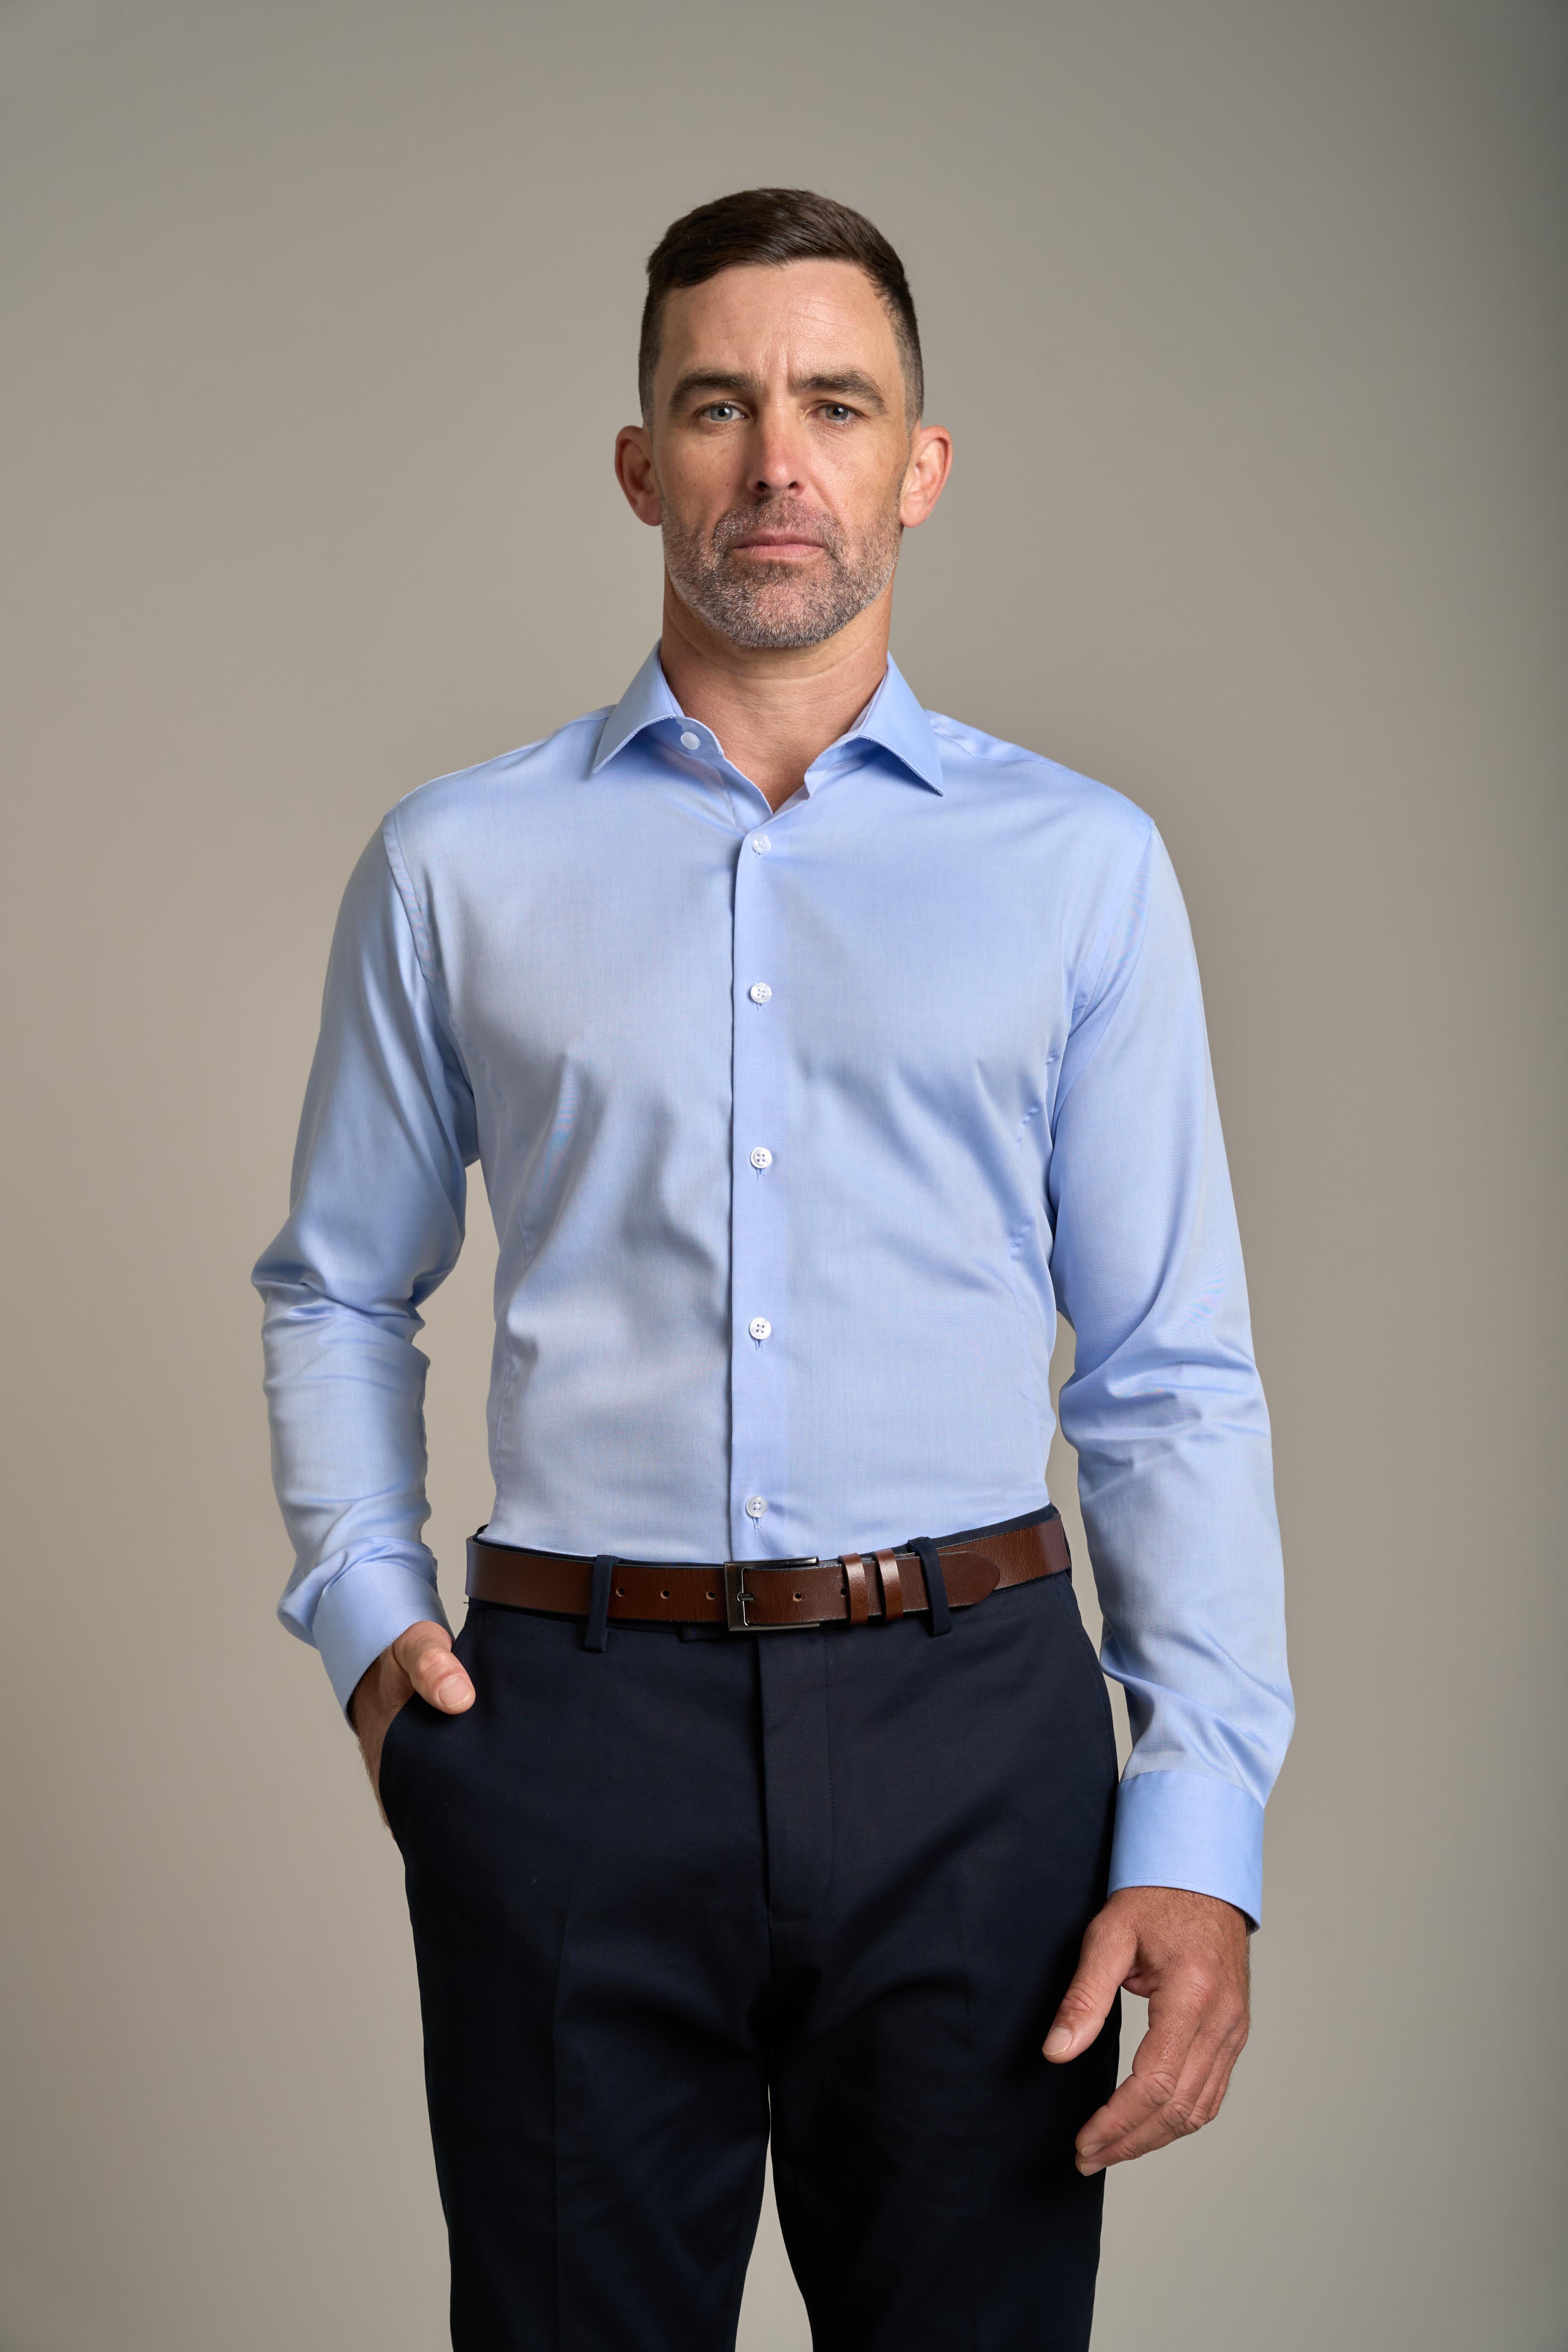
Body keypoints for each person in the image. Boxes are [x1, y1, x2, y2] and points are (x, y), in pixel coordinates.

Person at [253, 186, 1292, 2351]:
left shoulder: (1079, 869)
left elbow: (1164, 1364)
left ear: (919, 463)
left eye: (836, 403)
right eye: (715, 405)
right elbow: (342, 1283)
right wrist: (373, 1630)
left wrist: (1195, 1814)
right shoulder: (461, 862)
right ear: (641, 464)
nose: (774, 462)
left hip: (975, 1738)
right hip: (570, 1741)